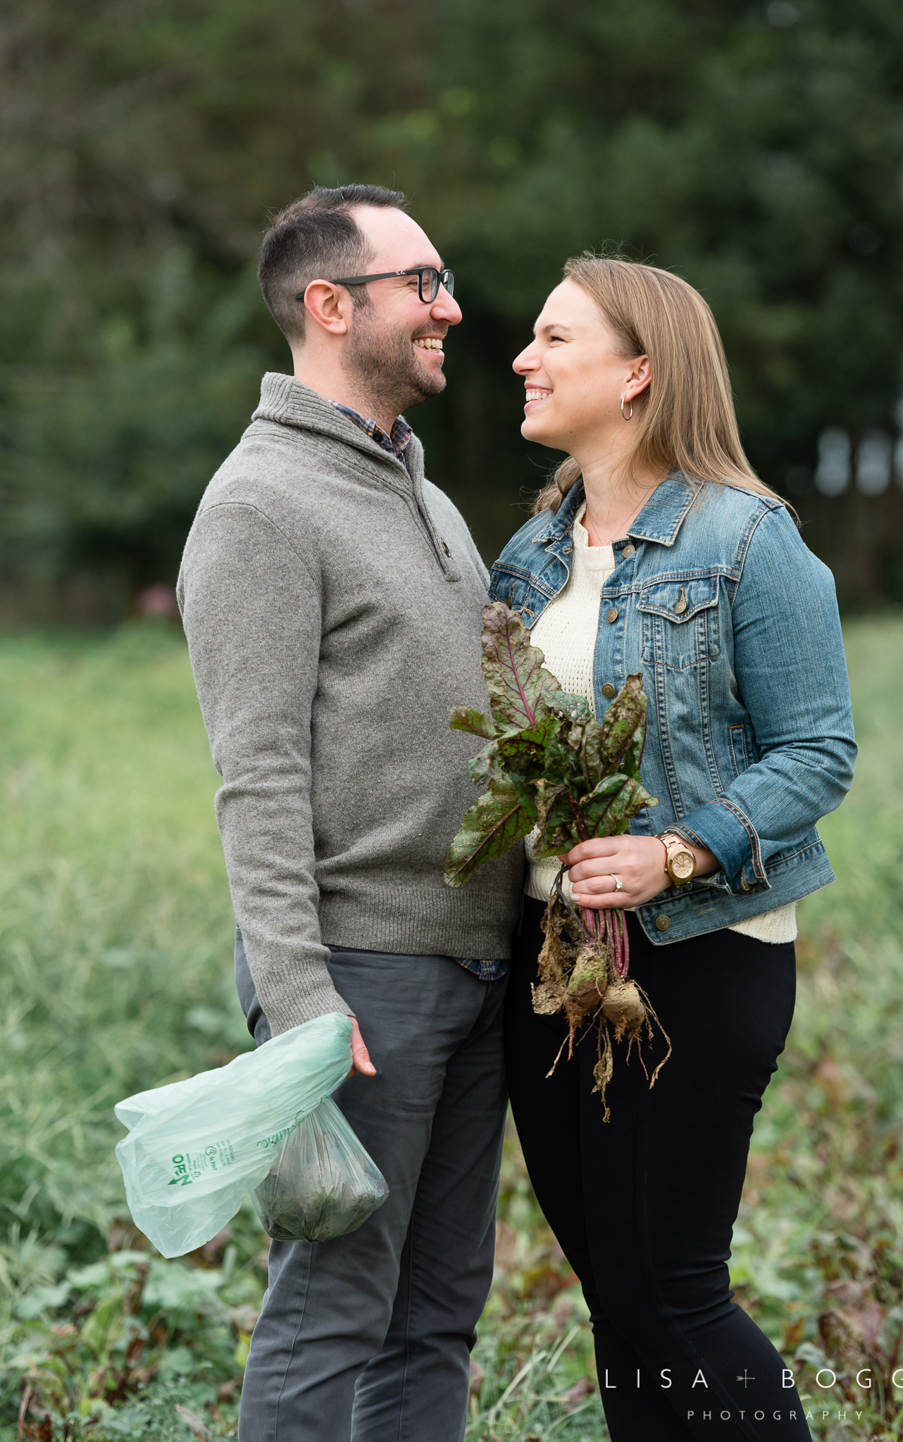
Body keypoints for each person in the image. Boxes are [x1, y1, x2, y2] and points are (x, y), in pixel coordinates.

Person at [489, 255, 857, 1442]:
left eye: (554, 338)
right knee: (618, 1294)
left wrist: (677, 853)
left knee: (671, 1290)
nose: (522, 358)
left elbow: (817, 750)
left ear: (637, 373)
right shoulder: (538, 548)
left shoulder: (748, 538)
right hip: (557, 960)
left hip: (696, 952)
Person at [177, 184, 523, 1442]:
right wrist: (302, 1001)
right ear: (332, 306)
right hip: (363, 981)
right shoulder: (262, 504)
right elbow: (254, 773)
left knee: (438, 1310)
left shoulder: (421, 493)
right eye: (423, 283)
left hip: (479, 963)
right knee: (335, 1308)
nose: (452, 306)